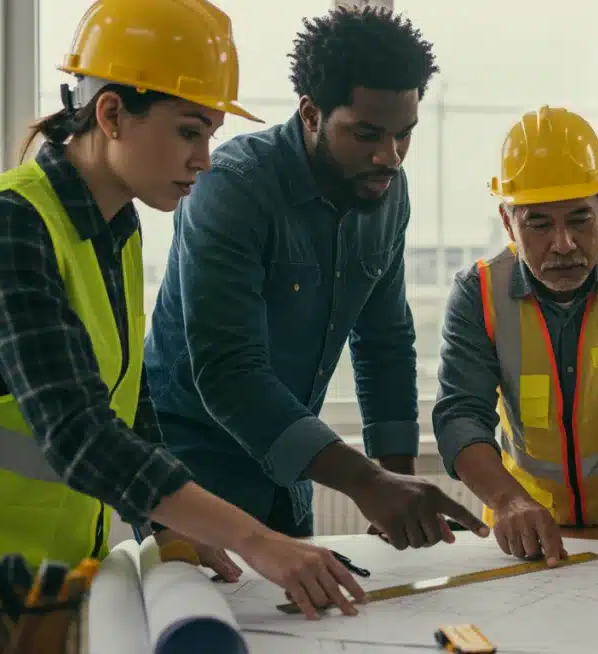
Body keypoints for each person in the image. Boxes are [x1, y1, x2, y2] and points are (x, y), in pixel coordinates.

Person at [0, 0, 364, 620]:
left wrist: (162, 527)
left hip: (48, 591)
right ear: (112, 113)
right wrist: (255, 538)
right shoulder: (11, 224)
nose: (204, 159)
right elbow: (78, 432)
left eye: (211, 134)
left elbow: (129, 402)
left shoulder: (119, 226)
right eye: (189, 131)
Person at [142, 4, 488, 567]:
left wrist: (394, 483)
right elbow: (229, 374)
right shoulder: (231, 187)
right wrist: (367, 483)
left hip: (291, 477)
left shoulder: (385, 191)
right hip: (193, 485)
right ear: (310, 113)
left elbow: (385, 343)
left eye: (405, 135)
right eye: (366, 134)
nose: (389, 156)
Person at [432, 106, 598, 565]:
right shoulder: (478, 292)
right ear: (507, 221)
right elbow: (460, 414)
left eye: (580, 218)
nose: (564, 244)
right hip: (525, 526)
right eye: (538, 223)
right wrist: (508, 502)